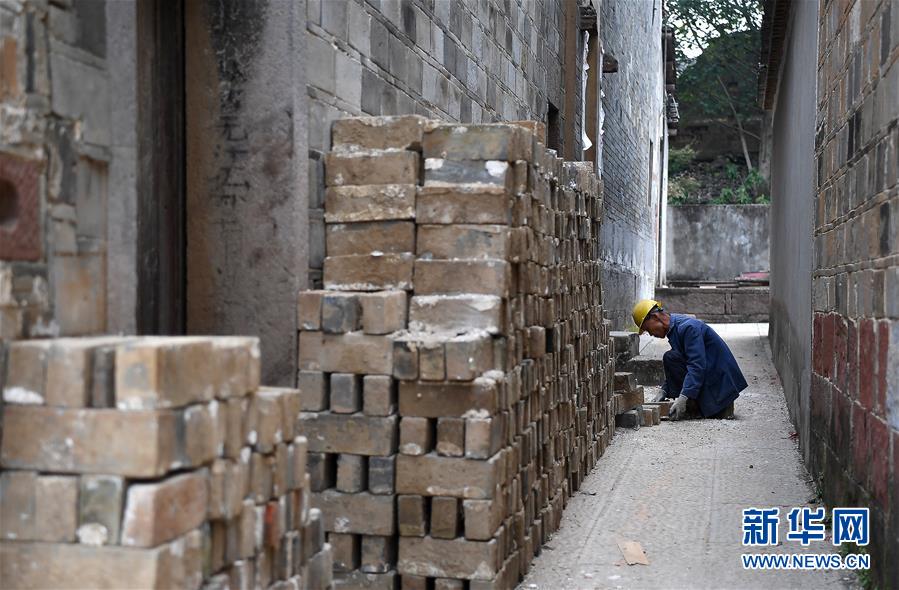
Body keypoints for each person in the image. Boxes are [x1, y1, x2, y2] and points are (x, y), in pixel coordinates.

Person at [631, 299, 747, 421]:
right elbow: (682, 360)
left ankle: (698, 407)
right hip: (711, 374)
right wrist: (664, 390)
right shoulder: (675, 328)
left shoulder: (688, 327)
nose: (650, 334)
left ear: (655, 317)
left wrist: (684, 397)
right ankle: (692, 405)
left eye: (648, 329)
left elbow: (696, 366)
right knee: (671, 357)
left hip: (721, 384)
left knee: (672, 358)